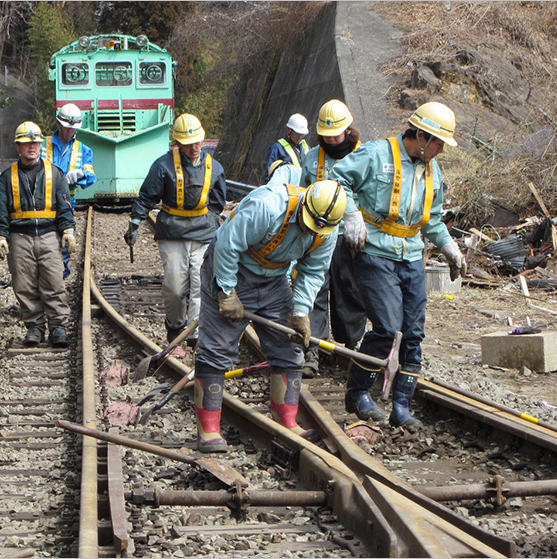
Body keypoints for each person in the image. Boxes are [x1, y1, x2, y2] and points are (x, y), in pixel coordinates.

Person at [330, 101, 467, 431]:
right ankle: (359, 392)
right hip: (374, 253)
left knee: (414, 333)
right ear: (421, 136)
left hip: (411, 257)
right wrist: (351, 215)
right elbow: (337, 178)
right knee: (388, 327)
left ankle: (402, 405)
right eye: (438, 143)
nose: (441, 151)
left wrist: (450, 248)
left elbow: (431, 220)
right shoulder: (376, 155)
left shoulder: (432, 171)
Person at [192, 178, 347, 452]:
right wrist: (226, 291)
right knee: (217, 350)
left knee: (289, 346)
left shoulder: (327, 232)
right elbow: (228, 245)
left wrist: (300, 312)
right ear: (304, 204)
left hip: (274, 281)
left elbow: (312, 272)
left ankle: (286, 420)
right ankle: (208, 430)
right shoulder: (266, 206)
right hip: (232, 269)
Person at [124, 114, 226, 346]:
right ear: (178, 143)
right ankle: (175, 325)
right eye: (188, 144)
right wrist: (136, 222)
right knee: (175, 287)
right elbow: (147, 196)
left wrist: (212, 222)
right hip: (172, 232)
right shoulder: (163, 166)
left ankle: (195, 334)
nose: (194, 148)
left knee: (201, 285)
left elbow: (218, 202)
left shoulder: (215, 168)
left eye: (197, 143)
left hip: (203, 233)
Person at [0, 121, 77, 348]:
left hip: (49, 235)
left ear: (41, 145)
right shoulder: (6, 178)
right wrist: (0, 236)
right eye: (27, 143)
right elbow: (0, 210)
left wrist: (67, 230)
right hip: (19, 236)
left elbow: (64, 205)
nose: (32, 147)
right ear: (18, 147)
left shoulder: (55, 174)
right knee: (24, 284)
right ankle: (35, 327)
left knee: (54, 280)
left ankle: (58, 327)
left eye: (36, 143)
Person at [300, 99, 365, 377]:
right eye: (325, 136)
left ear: (348, 130)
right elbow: (301, 191)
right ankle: (313, 348)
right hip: (317, 236)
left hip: (349, 237)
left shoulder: (365, 155)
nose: (330, 140)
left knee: (349, 292)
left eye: (335, 135)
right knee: (314, 290)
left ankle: (351, 345)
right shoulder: (312, 157)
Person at [41, 103, 96, 279]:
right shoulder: (43, 145)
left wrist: (81, 174)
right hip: (42, 201)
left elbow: (91, 175)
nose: (70, 132)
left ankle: (61, 274)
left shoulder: (83, 150)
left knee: (65, 238)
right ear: (59, 124)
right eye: (67, 128)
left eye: (73, 129)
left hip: (66, 202)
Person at [266, 113, 309, 179]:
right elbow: (269, 176)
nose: (300, 137)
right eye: (297, 133)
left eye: (302, 134)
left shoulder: (307, 149)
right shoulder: (277, 148)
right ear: (289, 130)